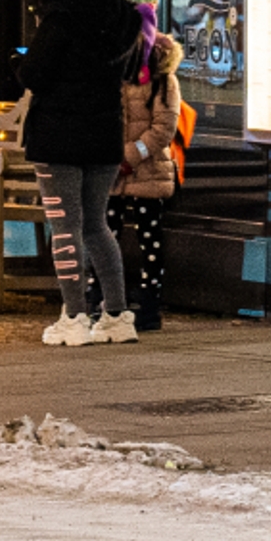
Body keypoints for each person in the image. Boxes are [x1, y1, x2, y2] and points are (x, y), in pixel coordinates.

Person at [20, 0, 143, 346]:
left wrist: (16, 63)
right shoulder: (123, 17)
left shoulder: (59, 18)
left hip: (58, 139)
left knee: (65, 228)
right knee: (96, 226)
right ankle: (117, 314)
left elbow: (35, 75)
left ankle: (74, 316)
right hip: (104, 136)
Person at [110, 26, 190, 331]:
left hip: (150, 170)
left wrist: (129, 156)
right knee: (107, 234)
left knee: (150, 237)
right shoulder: (114, 80)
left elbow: (164, 128)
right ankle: (107, 298)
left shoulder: (163, 82)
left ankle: (149, 303)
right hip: (115, 172)